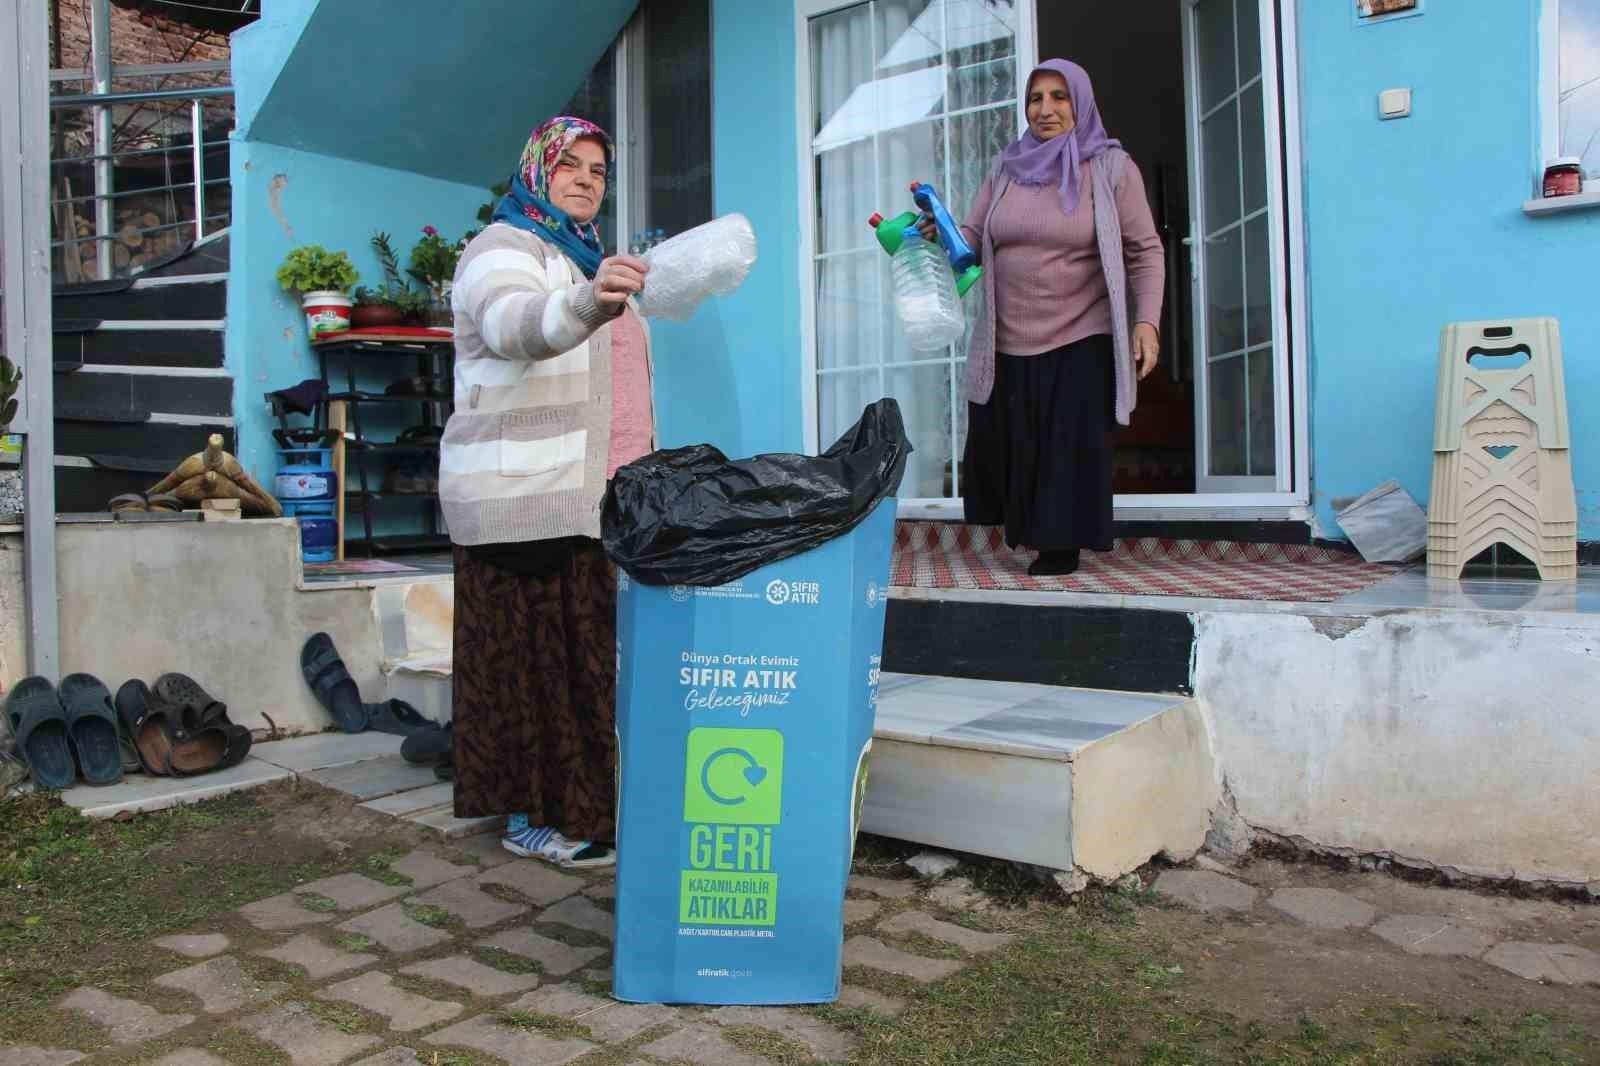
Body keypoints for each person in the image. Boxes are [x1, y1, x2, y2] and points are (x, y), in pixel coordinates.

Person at [440, 116, 655, 867]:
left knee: (582, 666)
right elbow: (515, 327)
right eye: (572, 165)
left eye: (599, 169)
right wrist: (594, 300)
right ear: (537, 170)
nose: (588, 180)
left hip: (591, 499)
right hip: (521, 502)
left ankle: (584, 807)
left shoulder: (583, 258)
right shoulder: (502, 250)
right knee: (538, 672)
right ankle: (543, 817)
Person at [923, 59, 1165, 576]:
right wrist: (936, 230)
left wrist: (1147, 322)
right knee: (1018, 440)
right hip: (1008, 336)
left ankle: (1061, 546)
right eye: (1036, 98)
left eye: (1059, 97)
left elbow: (1145, 250)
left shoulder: (1111, 169)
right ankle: (1029, 533)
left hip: (1083, 330)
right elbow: (970, 238)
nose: (1046, 109)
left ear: (1081, 103)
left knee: (1067, 441)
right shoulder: (1005, 168)